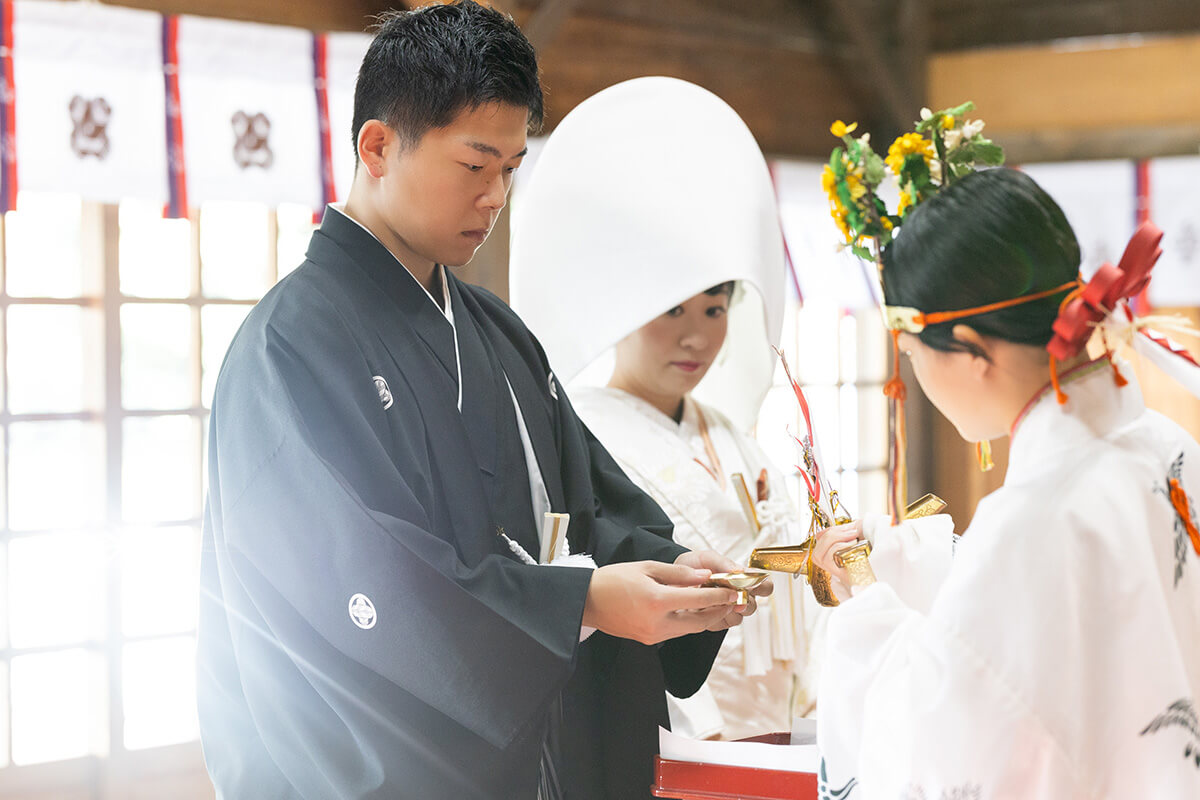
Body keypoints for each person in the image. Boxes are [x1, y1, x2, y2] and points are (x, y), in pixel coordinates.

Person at [195, 5, 768, 799]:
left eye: (511, 168)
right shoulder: (291, 346)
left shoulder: (495, 332)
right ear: (378, 146)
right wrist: (583, 602)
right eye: (475, 166)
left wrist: (670, 575)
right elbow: (361, 581)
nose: (497, 196)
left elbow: (581, 505)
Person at [812, 165, 1200, 797]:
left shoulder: (1034, 519)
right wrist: (923, 559)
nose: (917, 381)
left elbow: (939, 745)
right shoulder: (1167, 446)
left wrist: (864, 596)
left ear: (971, 350)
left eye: (913, 359)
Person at [510, 77, 826, 745]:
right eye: (672, 310)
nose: (697, 336)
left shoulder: (730, 434)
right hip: (679, 726)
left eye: (715, 308)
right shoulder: (587, 433)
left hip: (786, 717)